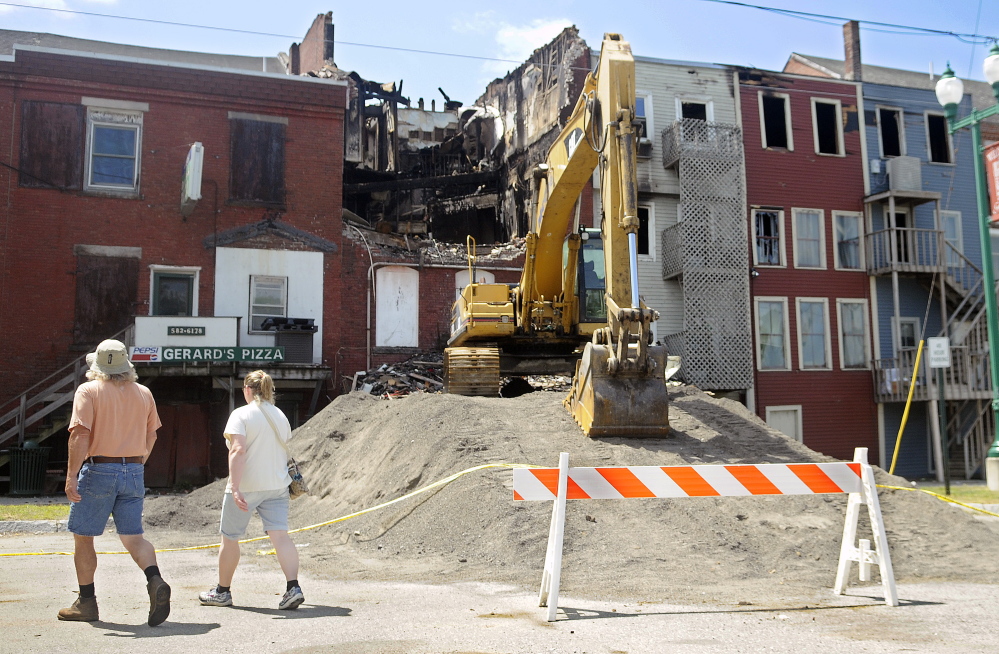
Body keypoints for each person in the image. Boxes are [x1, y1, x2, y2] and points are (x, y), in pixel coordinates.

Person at [59, 339, 170, 626]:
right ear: (126, 365)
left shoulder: (89, 391)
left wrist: (71, 475)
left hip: (99, 469)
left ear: (97, 366)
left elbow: (79, 435)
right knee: (134, 537)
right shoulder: (144, 393)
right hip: (133, 469)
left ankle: (87, 602)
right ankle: (154, 579)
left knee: (84, 537)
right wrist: (136, 464)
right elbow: (152, 436)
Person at [199, 370, 304, 610]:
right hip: (277, 485)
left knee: (230, 538)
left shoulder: (241, 414)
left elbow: (237, 450)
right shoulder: (280, 415)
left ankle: (222, 592)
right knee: (280, 536)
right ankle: (293, 587)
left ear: (247, 389)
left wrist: (235, 488)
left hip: (247, 486)